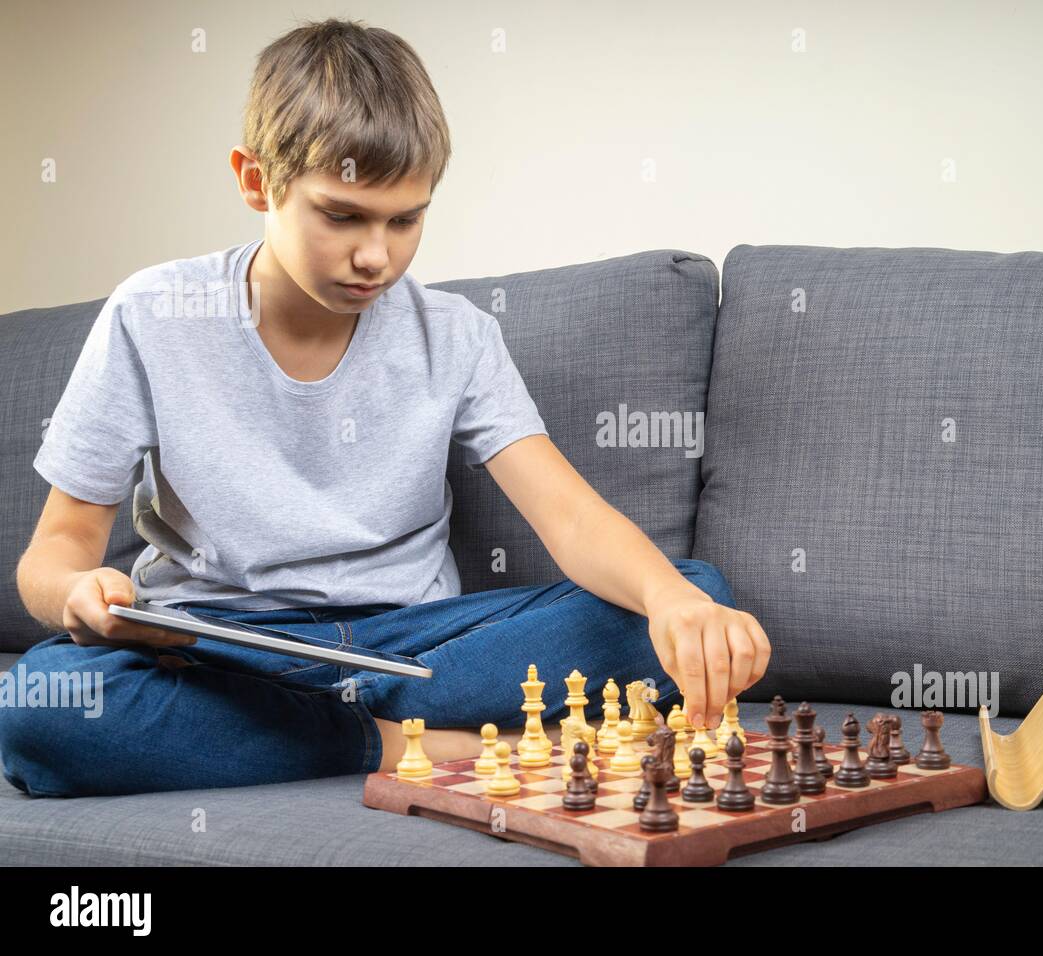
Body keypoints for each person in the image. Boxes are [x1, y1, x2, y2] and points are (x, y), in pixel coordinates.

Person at [0, 18, 769, 797]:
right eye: (342, 216)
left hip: (419, 651)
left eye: (406, 219)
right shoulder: (153, 314)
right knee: (40, 707)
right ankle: (411, 745)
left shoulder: (458, 336)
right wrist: (77, 595)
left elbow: (569, 519)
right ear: (256, 180)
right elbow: (53, 552)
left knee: (695, 592)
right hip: (226, 646)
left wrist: (674, 602)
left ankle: (318, 731)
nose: (378, 257)